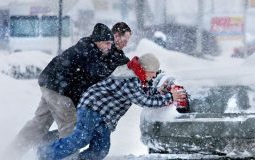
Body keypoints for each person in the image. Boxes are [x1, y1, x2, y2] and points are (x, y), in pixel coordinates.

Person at [4, 22, 132, 159]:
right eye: (108, 43)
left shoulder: (96, 47)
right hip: (59, 89)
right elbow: (97, 72)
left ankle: (11, 154)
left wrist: (132, 66)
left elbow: (113, 62)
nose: (110, 46)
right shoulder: (89, 50)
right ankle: (59, 155)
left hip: (51, 84)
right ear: (102, 40)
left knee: (39, 124)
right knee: (71, 127)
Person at [37, 53, 187, 160]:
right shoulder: (129, 78)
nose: (154, 77)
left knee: (100, 149)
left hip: (104, 116)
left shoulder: (137, 77)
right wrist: (170, 97)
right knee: (80, 139)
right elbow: (144, 100)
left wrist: (160, 92)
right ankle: (44, 154)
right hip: (91, 107)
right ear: (145, 69)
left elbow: (145, 93)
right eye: (153, 73)